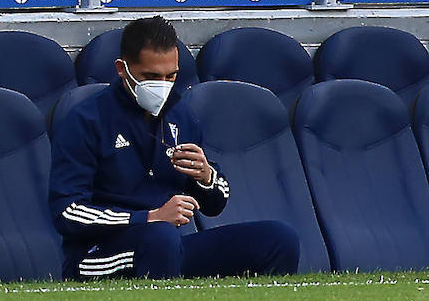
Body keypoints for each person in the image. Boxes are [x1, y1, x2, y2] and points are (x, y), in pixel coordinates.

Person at [49, 15, 301, 280]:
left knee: (279, 239)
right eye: (151, 76)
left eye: (171, 76)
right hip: (97, 255)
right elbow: (67, 212)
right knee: (161, 237)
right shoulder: (86, 119)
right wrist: (147, 218)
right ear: (122, 69)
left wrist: (206, 177)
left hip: (168, 247)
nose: (163, 86)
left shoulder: (181, 115)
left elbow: (215, 204)